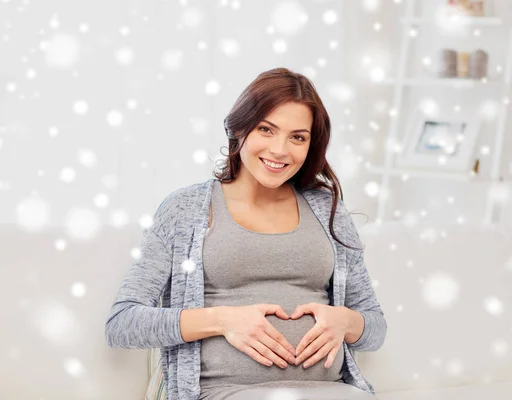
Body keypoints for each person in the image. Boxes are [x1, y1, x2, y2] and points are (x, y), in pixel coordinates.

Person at [105, 67, 387, 400]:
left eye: (298, 137)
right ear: (240, 129)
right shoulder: (185, 208)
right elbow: (122, 324)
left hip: (331, 391)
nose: (280, 149)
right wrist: (222, 320)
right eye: (267, 129)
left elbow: (375, 328)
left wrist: (345, 321)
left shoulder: (327, 209)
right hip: (224, 392)